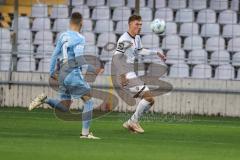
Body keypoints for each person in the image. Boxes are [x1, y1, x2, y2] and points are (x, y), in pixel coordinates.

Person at [29, 12, 104, 139]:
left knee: (64, 106)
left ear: (70, 23)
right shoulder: (80, 38)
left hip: (62, 73)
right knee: (89, 101)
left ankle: (44, 99)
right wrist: (94, 69)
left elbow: (54, 55)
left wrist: (52, 72)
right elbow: (79, 58)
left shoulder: (63, 36)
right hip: (72, 73)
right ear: (81, 23)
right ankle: (85, 134)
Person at [112, 15, 166, 133]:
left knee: (150, 100)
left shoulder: (136, 37)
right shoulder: (124, 39)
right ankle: (132, 122)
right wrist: (122, 75)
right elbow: (116, 58)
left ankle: (131, 122)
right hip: (124, 74)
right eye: (137, 24)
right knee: (148, 98)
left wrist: (156, 52)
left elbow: (140, 50)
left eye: (140, 25)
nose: (139, 27)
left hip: (130, 72)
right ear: (130, 24)